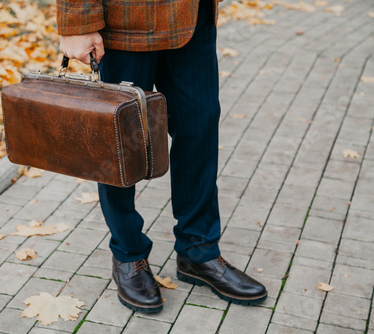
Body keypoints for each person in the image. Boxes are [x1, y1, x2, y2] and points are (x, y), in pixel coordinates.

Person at [56, 0, 268, 313]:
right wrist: (78, 23)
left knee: (200, 129)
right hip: (123, 22)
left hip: (193, 18)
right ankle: (128, 255)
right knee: (119, 142)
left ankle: (198, 250)